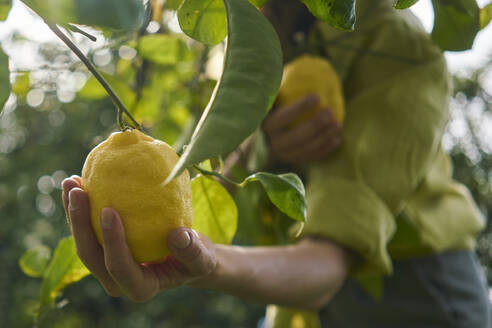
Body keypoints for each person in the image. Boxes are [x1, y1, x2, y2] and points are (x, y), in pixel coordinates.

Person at [62, 0, 491, 326]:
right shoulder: (249, 42)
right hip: (295, 292)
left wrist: (206, 261)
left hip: (422, 292)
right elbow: (217, 197)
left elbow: (328, 261)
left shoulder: (397, 45)